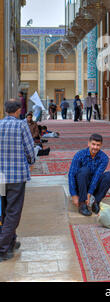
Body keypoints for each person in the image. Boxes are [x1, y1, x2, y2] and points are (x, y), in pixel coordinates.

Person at [0, 99, 35, 261]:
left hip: (0, 177)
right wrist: (32, 161)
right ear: (18, 111)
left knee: (5, 209)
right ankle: (3, 248)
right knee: (13, 211)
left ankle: (11, 242)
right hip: (16, 176)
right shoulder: (21, 125)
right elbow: (29, 148)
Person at [68, 133, 110, 216]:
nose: (95, 147)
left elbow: (97, 176)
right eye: (93, 144)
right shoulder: (79, 155)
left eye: (98, 145)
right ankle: (82, 204)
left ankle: (96, 202)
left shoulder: (104, 158)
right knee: (84, 170)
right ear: (88, 143)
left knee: (108, 176)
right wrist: (74, 195)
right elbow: (71, 175)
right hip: (81, 185)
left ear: (101, 145)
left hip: (94, 186)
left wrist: (89, 193)